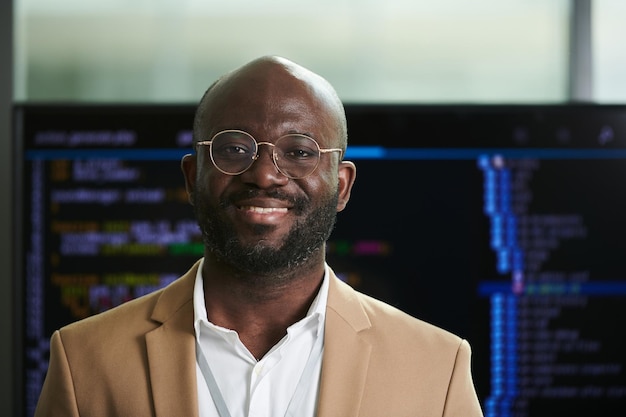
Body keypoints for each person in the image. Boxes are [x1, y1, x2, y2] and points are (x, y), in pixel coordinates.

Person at [34, 55, 484, 417]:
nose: (265, 174)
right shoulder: (84, 361)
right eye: (234, 149)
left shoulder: (437, 367)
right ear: (192, 177)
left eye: (300, 152)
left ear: (343, 185)